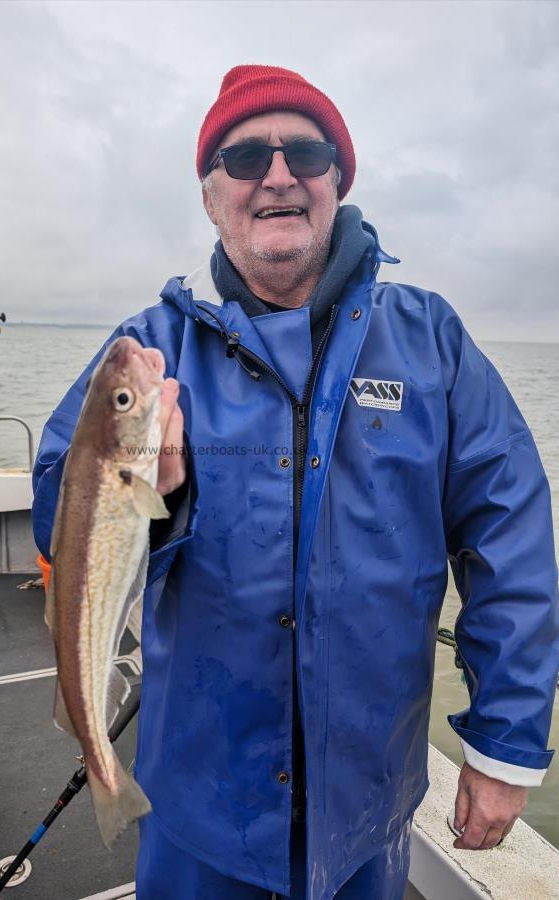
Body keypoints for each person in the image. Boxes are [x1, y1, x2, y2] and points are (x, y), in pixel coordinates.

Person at [32, 65, 558, 899]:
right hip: (198, 805)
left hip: (369, 810)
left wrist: (504, 742)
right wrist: (154, 499)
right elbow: (56, 501)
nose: (276, 175)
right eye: (243, 159)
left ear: (337, 180)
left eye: (304, 151)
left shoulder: (432, 343)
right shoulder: (149, 348)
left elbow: (511, 543)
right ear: (210, 197)